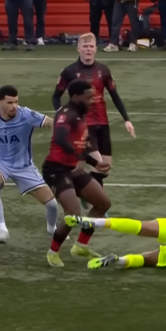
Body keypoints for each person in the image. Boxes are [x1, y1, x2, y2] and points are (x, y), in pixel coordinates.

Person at [51, 32, 135, 211]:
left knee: (104, 169)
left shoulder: (103, 70)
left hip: (102, 124)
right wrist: (62, 115)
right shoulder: (70, 71)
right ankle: (97, 204)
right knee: (99, 163)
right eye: (85, 46)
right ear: (78, 48)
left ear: (96, 49)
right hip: (84, 126)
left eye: (91, 46)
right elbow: (56, 96)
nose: (88, 50)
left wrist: (127, 120)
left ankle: (81, 189)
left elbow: (115, 96)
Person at [0, 85, 59, 245]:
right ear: (0, 102)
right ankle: (2, 229)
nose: (14, 106)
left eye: (16, 102)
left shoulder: (26, 115)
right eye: (10, 102)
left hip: (23, 166)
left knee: (52, 205)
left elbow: (51, 123)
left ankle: (52, 228)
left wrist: (55, 148)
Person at [43, 80, 112, 268]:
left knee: (103, 203)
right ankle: (53, 252)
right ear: (75, 96)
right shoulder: (67, 114)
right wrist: (80, 157)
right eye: (88, 97)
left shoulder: (80, 115)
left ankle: (81, 245)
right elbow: (60, 138)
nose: (92, 101)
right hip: (56, 170)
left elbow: (78, 146)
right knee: (73, 213)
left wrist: (95, 163)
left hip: (73, 169)